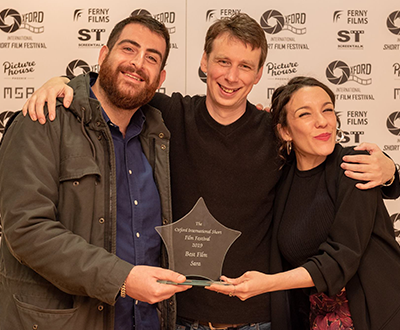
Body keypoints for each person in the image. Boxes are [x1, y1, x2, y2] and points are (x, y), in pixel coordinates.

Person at [21, 14, 398, 330]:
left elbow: (326, 162)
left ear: (259, 74)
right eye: (222, 62)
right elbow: (120, 83)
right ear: (203, 62)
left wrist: (392, 171)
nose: (232, 76)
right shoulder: (168, 115)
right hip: (178, 315)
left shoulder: (275, 132)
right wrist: (65, 84)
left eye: (245, 66)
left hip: (259, 318)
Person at [0, 15, 192, 330]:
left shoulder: (158, 135)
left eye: (151, 58)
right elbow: (26, 229)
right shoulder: (44, 118)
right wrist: (123, 279)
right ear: (103, 56)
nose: (137, 63)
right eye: (129, 49)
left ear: (160, 77)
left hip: (144, 321)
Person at [208, 77, 400, 330]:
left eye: (327, 109)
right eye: (305, 114)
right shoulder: (283, 177)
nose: (322, 121)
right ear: (285, 130)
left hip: (376, 314)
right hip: (314, 318)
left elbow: (340, 258)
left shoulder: (354, 166)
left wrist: (267, 283)